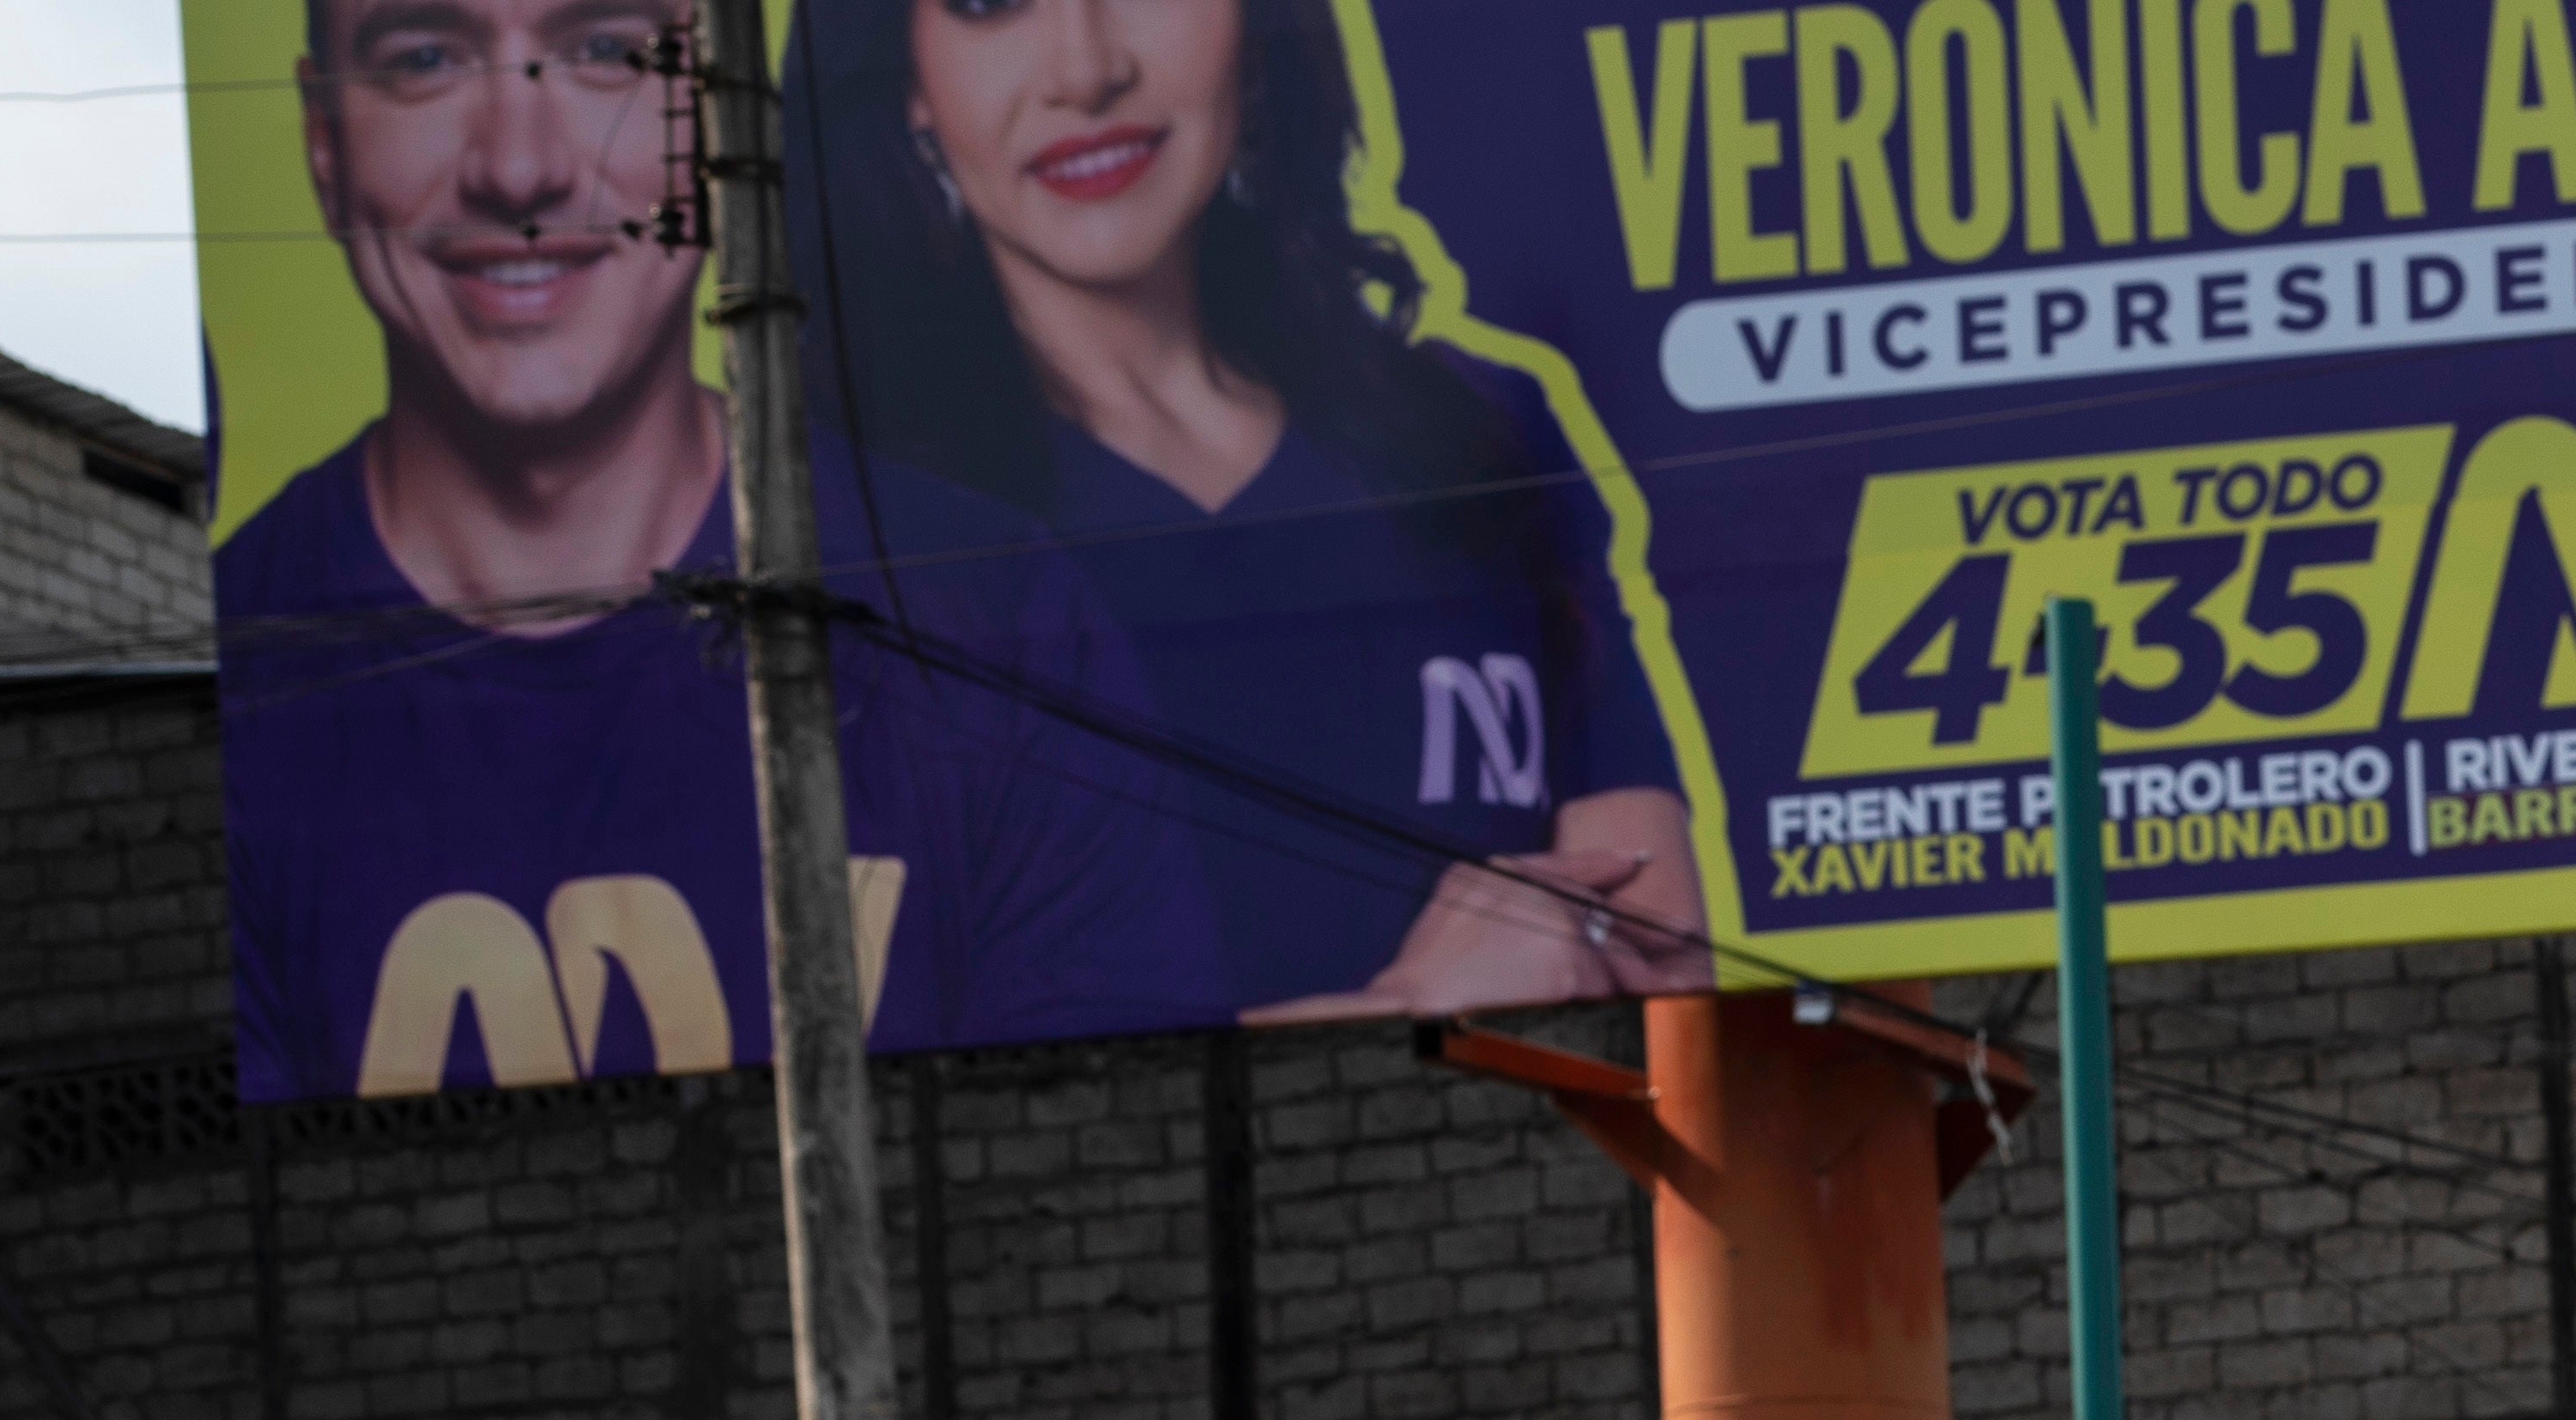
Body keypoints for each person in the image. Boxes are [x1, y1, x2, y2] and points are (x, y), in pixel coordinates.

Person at [222, 0, 1211, 1099]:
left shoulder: (1002, 619)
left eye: (609, 52)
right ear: (324, 142)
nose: (519, 168)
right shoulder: (231, 686)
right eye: (423, 59)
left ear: (727, 120)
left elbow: (1109, 1147)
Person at [802, 0, 1709, 1017]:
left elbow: (1665, 975)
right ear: (906, 78)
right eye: (987, 3)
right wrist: (1406, 1007)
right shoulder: (858, 530)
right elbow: (931, 1101)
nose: (1085, 70)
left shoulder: (1473, 432)